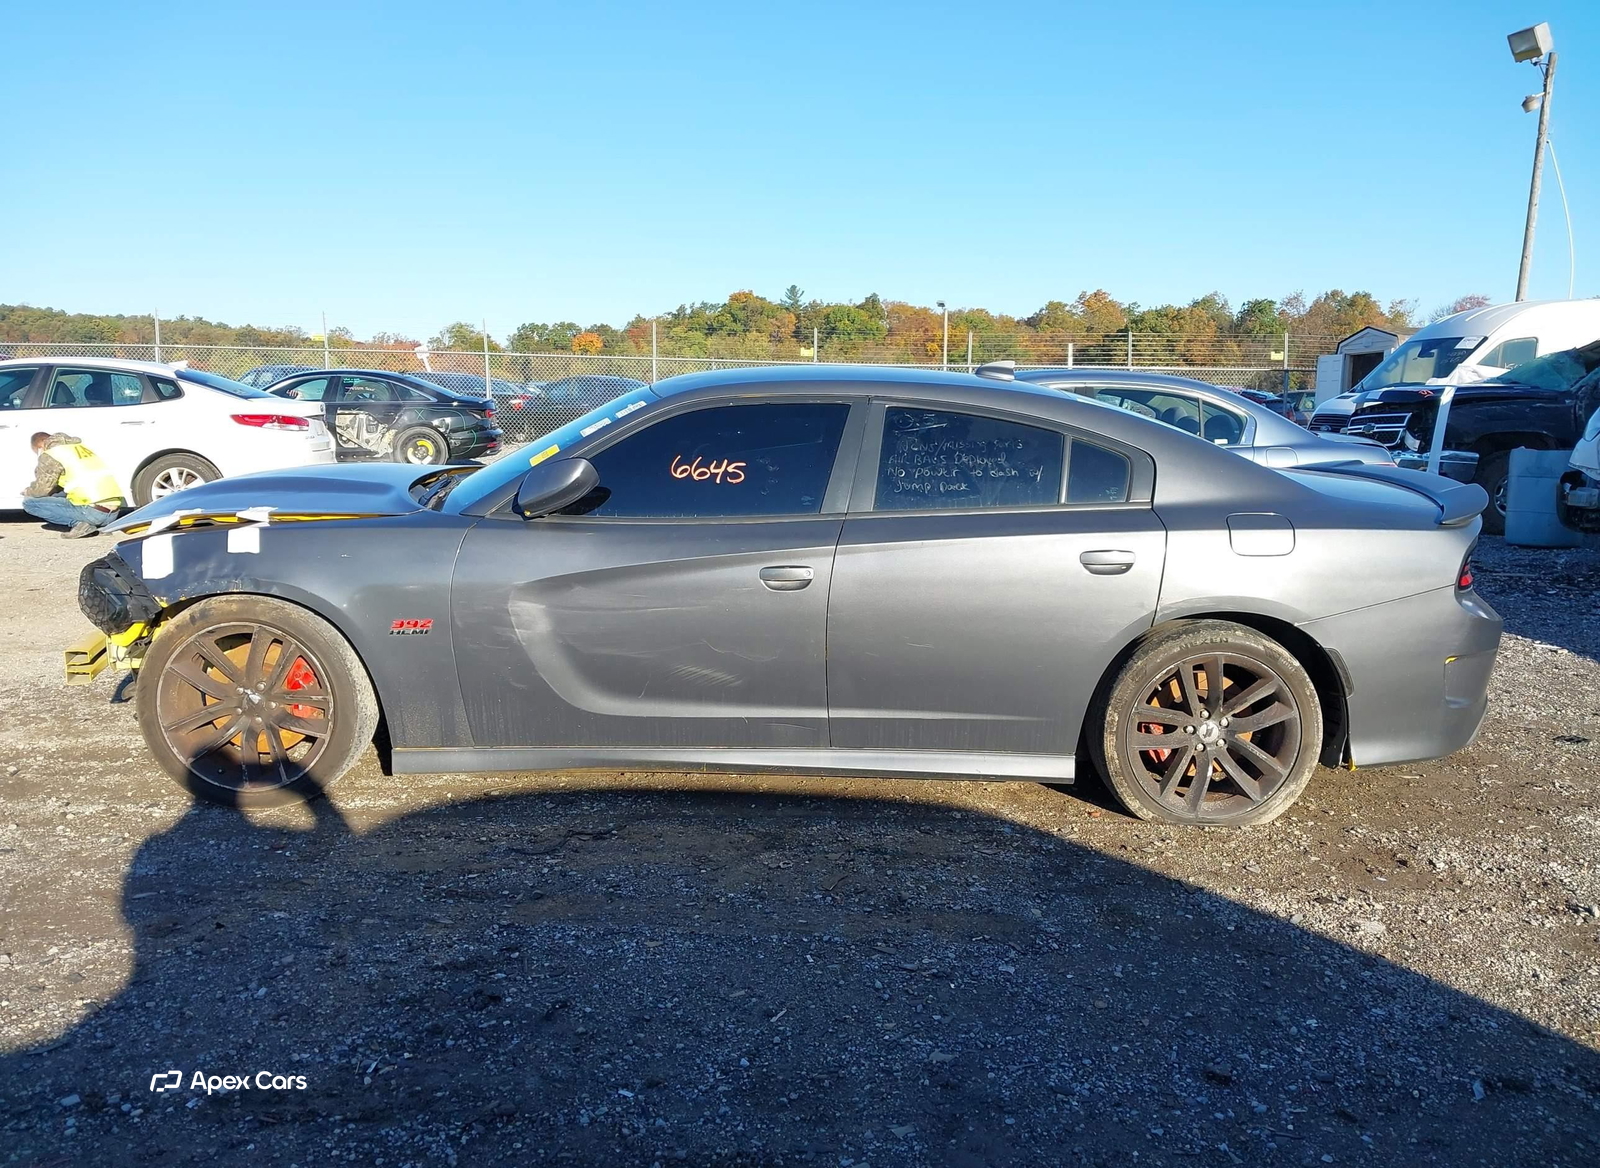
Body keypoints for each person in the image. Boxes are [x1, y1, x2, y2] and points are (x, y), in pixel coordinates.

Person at [21, 432, 126, 538]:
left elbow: (41, 490)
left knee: (30, 502)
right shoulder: (80, 448)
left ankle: (80, 524)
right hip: (113, 514)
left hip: (93, 512)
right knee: (59, 494)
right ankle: (100, 526)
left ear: (41, 445)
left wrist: (28, 491)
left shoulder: (52, 454)